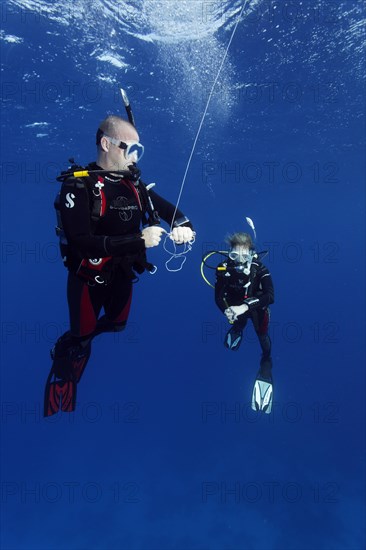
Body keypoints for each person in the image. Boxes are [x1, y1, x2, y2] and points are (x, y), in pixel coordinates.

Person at [44, 114, 194, 416]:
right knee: (83, 336)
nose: (135, 157)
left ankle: (82, 340)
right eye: (130, 149)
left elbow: (173, 212)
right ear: (106, 144)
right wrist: (139, 241)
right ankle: (69, 348)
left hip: (123, 274)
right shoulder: (78, 186)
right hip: (87, 278)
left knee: (117, 324)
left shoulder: (134, 185)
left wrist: (184, 227)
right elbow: (81, 242)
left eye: (139, 150)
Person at [214, 232, 275, 413]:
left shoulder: (260, 269)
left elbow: (270, 296)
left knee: (262, 337)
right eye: (234, 255)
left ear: (252, 255)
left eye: (244, 256)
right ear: (229, 254)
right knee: (238, 323)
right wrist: (226, 310)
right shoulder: (223, 269)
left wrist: (245, 306)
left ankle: (266, 364)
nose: (239, 261)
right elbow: (218, 296)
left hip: (257, 310)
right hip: (235, 310)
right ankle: (238, 329)